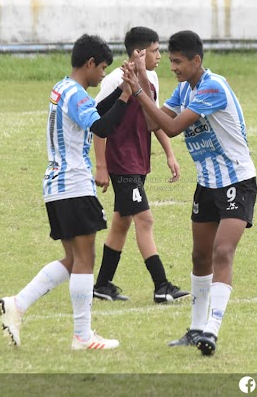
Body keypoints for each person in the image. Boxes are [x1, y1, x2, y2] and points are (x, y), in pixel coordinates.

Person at [121, 30, 257, 356]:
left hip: (236, 181)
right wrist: (139, 84)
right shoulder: (184, 89)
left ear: (197, 60)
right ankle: (196, 328)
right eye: (170, 61)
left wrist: (139, 90)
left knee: (222, 252)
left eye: (179, 61)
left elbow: (170, 128)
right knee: (199, 256)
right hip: (207, 183)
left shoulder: (212, 86)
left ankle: (211, 329)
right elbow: (155, 123)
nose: (174, 67)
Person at [0, 34, 133, 350]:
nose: (102, 75)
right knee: (85, 259)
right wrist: (126, 98)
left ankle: (16, 304)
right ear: (89, 64)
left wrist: (121, 92)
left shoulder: (64, 88)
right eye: (101, 69)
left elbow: (94, 114)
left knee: (73, 259)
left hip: (57, 186)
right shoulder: (76, 94)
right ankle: (82, 336)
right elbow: (101, 127)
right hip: (73, 184)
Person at [92, 26, 189, 304]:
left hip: (139, 160)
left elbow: (152, 118)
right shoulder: (113, 80)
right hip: (122, 162)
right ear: (139, 52)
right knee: (144, 219)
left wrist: (169, 153)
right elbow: (97, 124)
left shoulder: (152, 77)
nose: (161, 56)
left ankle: (102, 284)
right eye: (156, 50)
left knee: (121, 223)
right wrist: (101, 166)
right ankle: (162, 285)